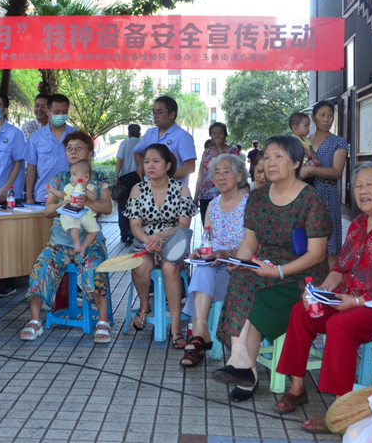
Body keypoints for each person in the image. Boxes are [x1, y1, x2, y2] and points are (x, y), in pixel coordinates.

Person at [274, 162, 372, 433]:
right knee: (302, 311)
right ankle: (297, 387)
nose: (362, 191)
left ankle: (339, 410)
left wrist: (359, 301)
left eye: (370, 184)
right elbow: (340, 267)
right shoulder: (359, 222)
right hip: (347, 299)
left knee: (340, 325)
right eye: (357, 186)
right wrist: (320, 291)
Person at [213, 135, 332, 402]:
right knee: (241, 277)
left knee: (252, 298)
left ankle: (244, 367)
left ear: (296, 162)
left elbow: (317, 254)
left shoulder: (311, 200)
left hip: (301, 278)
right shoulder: (257, 198)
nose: (270, 163)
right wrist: (240, 262)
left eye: (279, 157)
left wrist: (277, 272)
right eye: (267, 157)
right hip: (265, 270)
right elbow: (250, 242)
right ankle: (243, 364)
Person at [21, 131, 114, 344]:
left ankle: (103, 320)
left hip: (90, 242)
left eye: (78, 147)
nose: (73, 151)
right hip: (60, 243)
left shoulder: (99, 178)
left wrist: (85, 202)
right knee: (41, 267)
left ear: (90, 152)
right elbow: (48, 211)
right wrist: (64, 203)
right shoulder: (60, 178)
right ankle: (35, 321)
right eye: (69, 148)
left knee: (95, 267)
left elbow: (107, 207)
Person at [125, 144, 197, 348]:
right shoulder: (137, 189)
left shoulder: (181, 189)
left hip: (174, 242)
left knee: (170, 268)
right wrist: (148, 240)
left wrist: (161, 236)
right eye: (147, 161)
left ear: (167, 165)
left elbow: (183, 225)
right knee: (140, 265)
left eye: (156, 161)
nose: (150, 165)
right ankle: (144, 305)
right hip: (145, 243)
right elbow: (134, 225)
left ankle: (176, 328)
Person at [181, 153, 249, 367]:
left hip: (241, 266)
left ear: (239, 176)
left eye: (226, 172)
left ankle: (198, 337)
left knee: (204, 275)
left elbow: (255, 244)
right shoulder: (212, 205)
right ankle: (201, 333)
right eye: (216, 173)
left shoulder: (250, 204)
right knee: (202, 269)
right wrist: (201, 251)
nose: (220, 176)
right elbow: (209, 238)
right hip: (216, 263)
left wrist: (227, 254)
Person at [299, 100, 348, 269]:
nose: (327, 119)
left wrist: (310, 170)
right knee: (306, 243)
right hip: (305, 196)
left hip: (328, 194)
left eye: (330, 116)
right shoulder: (303, 142)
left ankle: (329, 281)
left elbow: (336, 172)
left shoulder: (338, 142)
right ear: (313, 118)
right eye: (322, 115)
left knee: (331, 246)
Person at [133, 96, 197, 187]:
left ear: (172, 114)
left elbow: (190, 167)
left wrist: (165, 179)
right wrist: (140, 166)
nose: (155, 116)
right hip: (150, 189)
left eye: (159, 112)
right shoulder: (150, 133)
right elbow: (137, 151)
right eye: (154, 112)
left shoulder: (182, 136)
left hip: (174, 190)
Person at [25, 94, 76, 204]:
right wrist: (29, 196)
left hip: (71, 197)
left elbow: (84, 165)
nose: (60, 115)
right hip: (43, 196)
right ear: (48, 112)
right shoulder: (35, 137)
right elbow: (31, 168)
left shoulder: (77, 136)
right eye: (56, 112)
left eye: (64, 112)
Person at [47, 160, 100, 258]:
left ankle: (83, 246)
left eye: (74, 175)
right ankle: (77, 243)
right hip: (73, 213)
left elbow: (93, 198)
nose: (71, 177)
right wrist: (52, 190)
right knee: (73, 224)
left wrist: (86, 190)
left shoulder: (92, 188)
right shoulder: (69, 187)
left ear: (86, 177)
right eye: (71, 174)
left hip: (87, 215)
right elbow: (61, 194)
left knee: (95, 230)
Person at [194, 122, 240, 223]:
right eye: (214, 133)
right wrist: (196, 195)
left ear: (225, 135)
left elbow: (235, 170)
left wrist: (219, 148)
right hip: (206, 194)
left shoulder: (233, 151)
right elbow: (201, 174)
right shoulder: (207, 152)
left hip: (226, 195)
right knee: (207, 224)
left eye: (220, 133)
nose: (216, 136)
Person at [114, 124, 141, 244]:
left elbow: (120, 160)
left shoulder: (124, 143)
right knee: (137, 207)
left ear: (128, 134)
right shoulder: (142, 144)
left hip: (124, 180)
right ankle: (134, 234)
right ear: (139, 134)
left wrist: (116, 177)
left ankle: (124, 234)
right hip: (138, 178)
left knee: (123, 207)